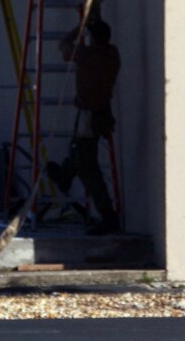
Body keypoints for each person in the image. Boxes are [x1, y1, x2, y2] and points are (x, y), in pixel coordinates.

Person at [47, 19, 121, 235]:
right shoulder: (112, 54)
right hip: (101, 115)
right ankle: (65, 175)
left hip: (89, 116)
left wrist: (78, 28)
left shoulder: (87, 55)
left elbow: (63, 45)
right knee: (78, 151)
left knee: (88, 167)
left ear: (92, 38)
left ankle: (108, 215)